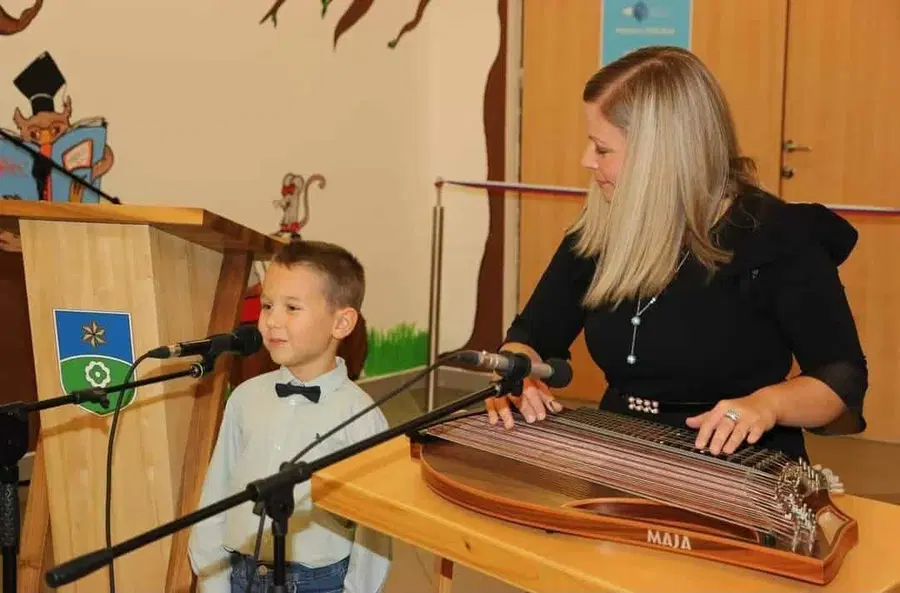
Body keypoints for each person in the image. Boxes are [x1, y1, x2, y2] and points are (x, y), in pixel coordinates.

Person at [486, 46, 868, 463]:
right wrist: (517, 371)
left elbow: (839, 378)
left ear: (659, 156)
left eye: (602, 149)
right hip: (620, 451)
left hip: (738, 465)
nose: (586, 160)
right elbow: (531, 338)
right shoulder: (601, 228)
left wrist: (768, 404)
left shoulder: (776, 236)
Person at [188, 240, 392, 593]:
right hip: (241, 575)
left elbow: (374, 531)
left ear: (341, 323)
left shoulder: (361, 418)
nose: (271, 321)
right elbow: (218, 492)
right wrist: (213, 579)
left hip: (318, 583)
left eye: (292, 307)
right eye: (268, 305)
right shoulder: (245, 397)